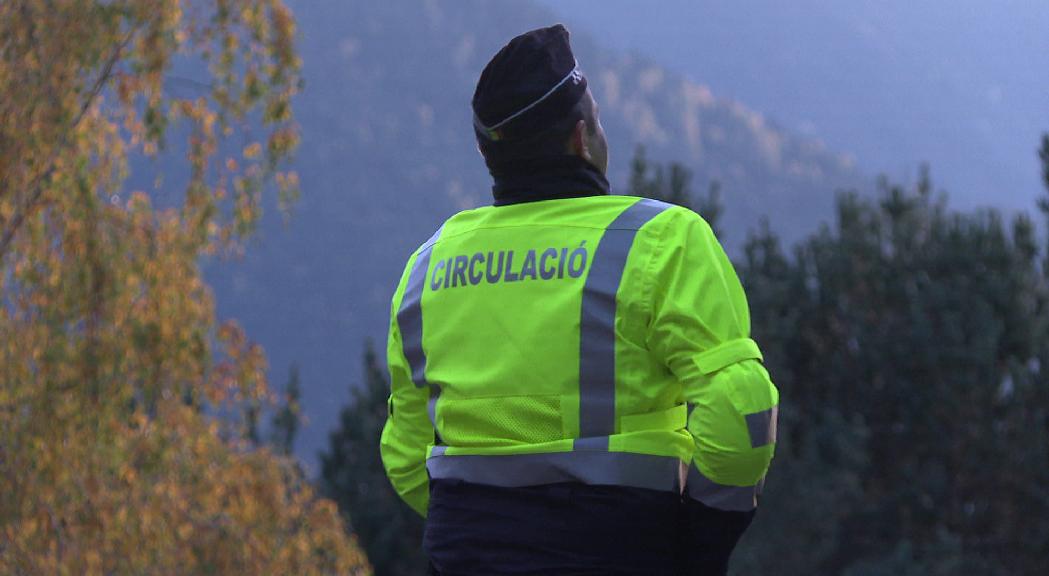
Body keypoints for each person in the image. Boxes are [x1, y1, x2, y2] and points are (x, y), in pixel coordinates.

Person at [380, 24, 779, 576]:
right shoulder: (660, 241)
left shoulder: (428, 267)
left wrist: (494, 537)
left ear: (489, 153)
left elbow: (406, 453)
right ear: (581, 137)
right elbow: (742, 409)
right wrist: (699, 541)